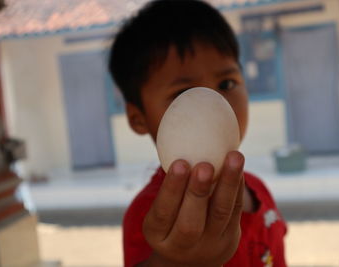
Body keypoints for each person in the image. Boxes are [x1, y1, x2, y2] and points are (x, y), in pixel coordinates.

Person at [108, 0, 287, 266]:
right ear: (138, 118)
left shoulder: (259, 190)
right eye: (183, 94)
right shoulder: (150, 216)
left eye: (227, 83)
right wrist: (172, 261)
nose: (214, 104)